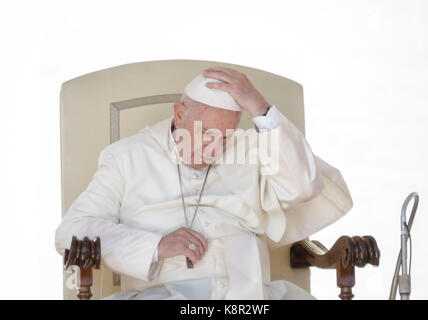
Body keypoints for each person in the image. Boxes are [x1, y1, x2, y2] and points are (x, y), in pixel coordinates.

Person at [55, 66, 353, 299]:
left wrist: (260, 107)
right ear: (180, 113)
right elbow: (72, 230)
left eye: (224, 138)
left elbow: (304, 186)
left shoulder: (251, 148)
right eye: (206, 134)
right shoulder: (126, 157)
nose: (214, 150)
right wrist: (156, 245)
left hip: (251, 297)